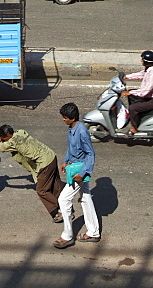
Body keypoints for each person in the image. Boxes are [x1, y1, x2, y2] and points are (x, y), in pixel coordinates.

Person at [0, 124, 64, 220]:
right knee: (55, 186)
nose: (3, 140)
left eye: (4, 138)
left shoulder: (13, 142)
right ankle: (63, 206)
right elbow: (0, 139)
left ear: (8, 136)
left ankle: (62, 211)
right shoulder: (20, 133)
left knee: (41, 190)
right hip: (51, 156)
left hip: (45, 164)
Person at [54, 102, 100, 248]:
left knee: (63, 200)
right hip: (74, 167)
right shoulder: (72, 128)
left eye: (65, 117)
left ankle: (67, 236)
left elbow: (90, 154)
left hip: (78, 171)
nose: (63, 119)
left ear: (72, 118)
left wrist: (82, 173)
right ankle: (93, 232)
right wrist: (65, 161)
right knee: (86, 198)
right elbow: (72, 148)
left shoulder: (81, 131)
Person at [122, 51, 153, 135]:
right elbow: (141, 75)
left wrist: (130, 92)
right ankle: (137, 118)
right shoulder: (150, 69)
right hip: (148, 97)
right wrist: (127, 77)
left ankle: (134, 128)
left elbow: (145, 91)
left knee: (133, 108)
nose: (141, 61)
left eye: (142, 59)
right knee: (132, 96)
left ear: (147, 61)